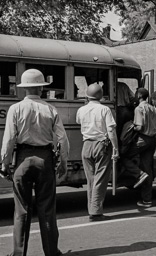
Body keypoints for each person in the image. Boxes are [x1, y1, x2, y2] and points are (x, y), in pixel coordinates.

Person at [1, 69, 69, 256]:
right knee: (47, 208)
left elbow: (9, 139)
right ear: (40, 88)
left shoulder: (15, 109)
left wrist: (4, 164)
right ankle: (51, 252)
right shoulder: (50, 109)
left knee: (21, 209)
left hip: (22, 158)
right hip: (45, 159)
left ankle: (18, 253)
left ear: (24, 89)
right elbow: (63, 139)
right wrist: (63, 163)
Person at [76, 83, 119, 221]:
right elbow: (111, 130)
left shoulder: (81, 110)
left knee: (91, 179)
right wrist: (116, 149)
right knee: (100, 179)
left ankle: (91, 208)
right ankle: (95, 211)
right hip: (101, 145)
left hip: (86, 145)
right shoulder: (104, 109)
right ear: (101, 95)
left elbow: (78, 122)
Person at [131, 88, 156, 207]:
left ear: (139, 95)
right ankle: (147, 199)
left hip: (142, 139)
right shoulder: (152, 108)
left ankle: (138, 174)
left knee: (123, 155)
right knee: (148, 167)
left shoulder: (139, 108)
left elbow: (139, 127)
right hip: (152, 140)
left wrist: (132, 126)